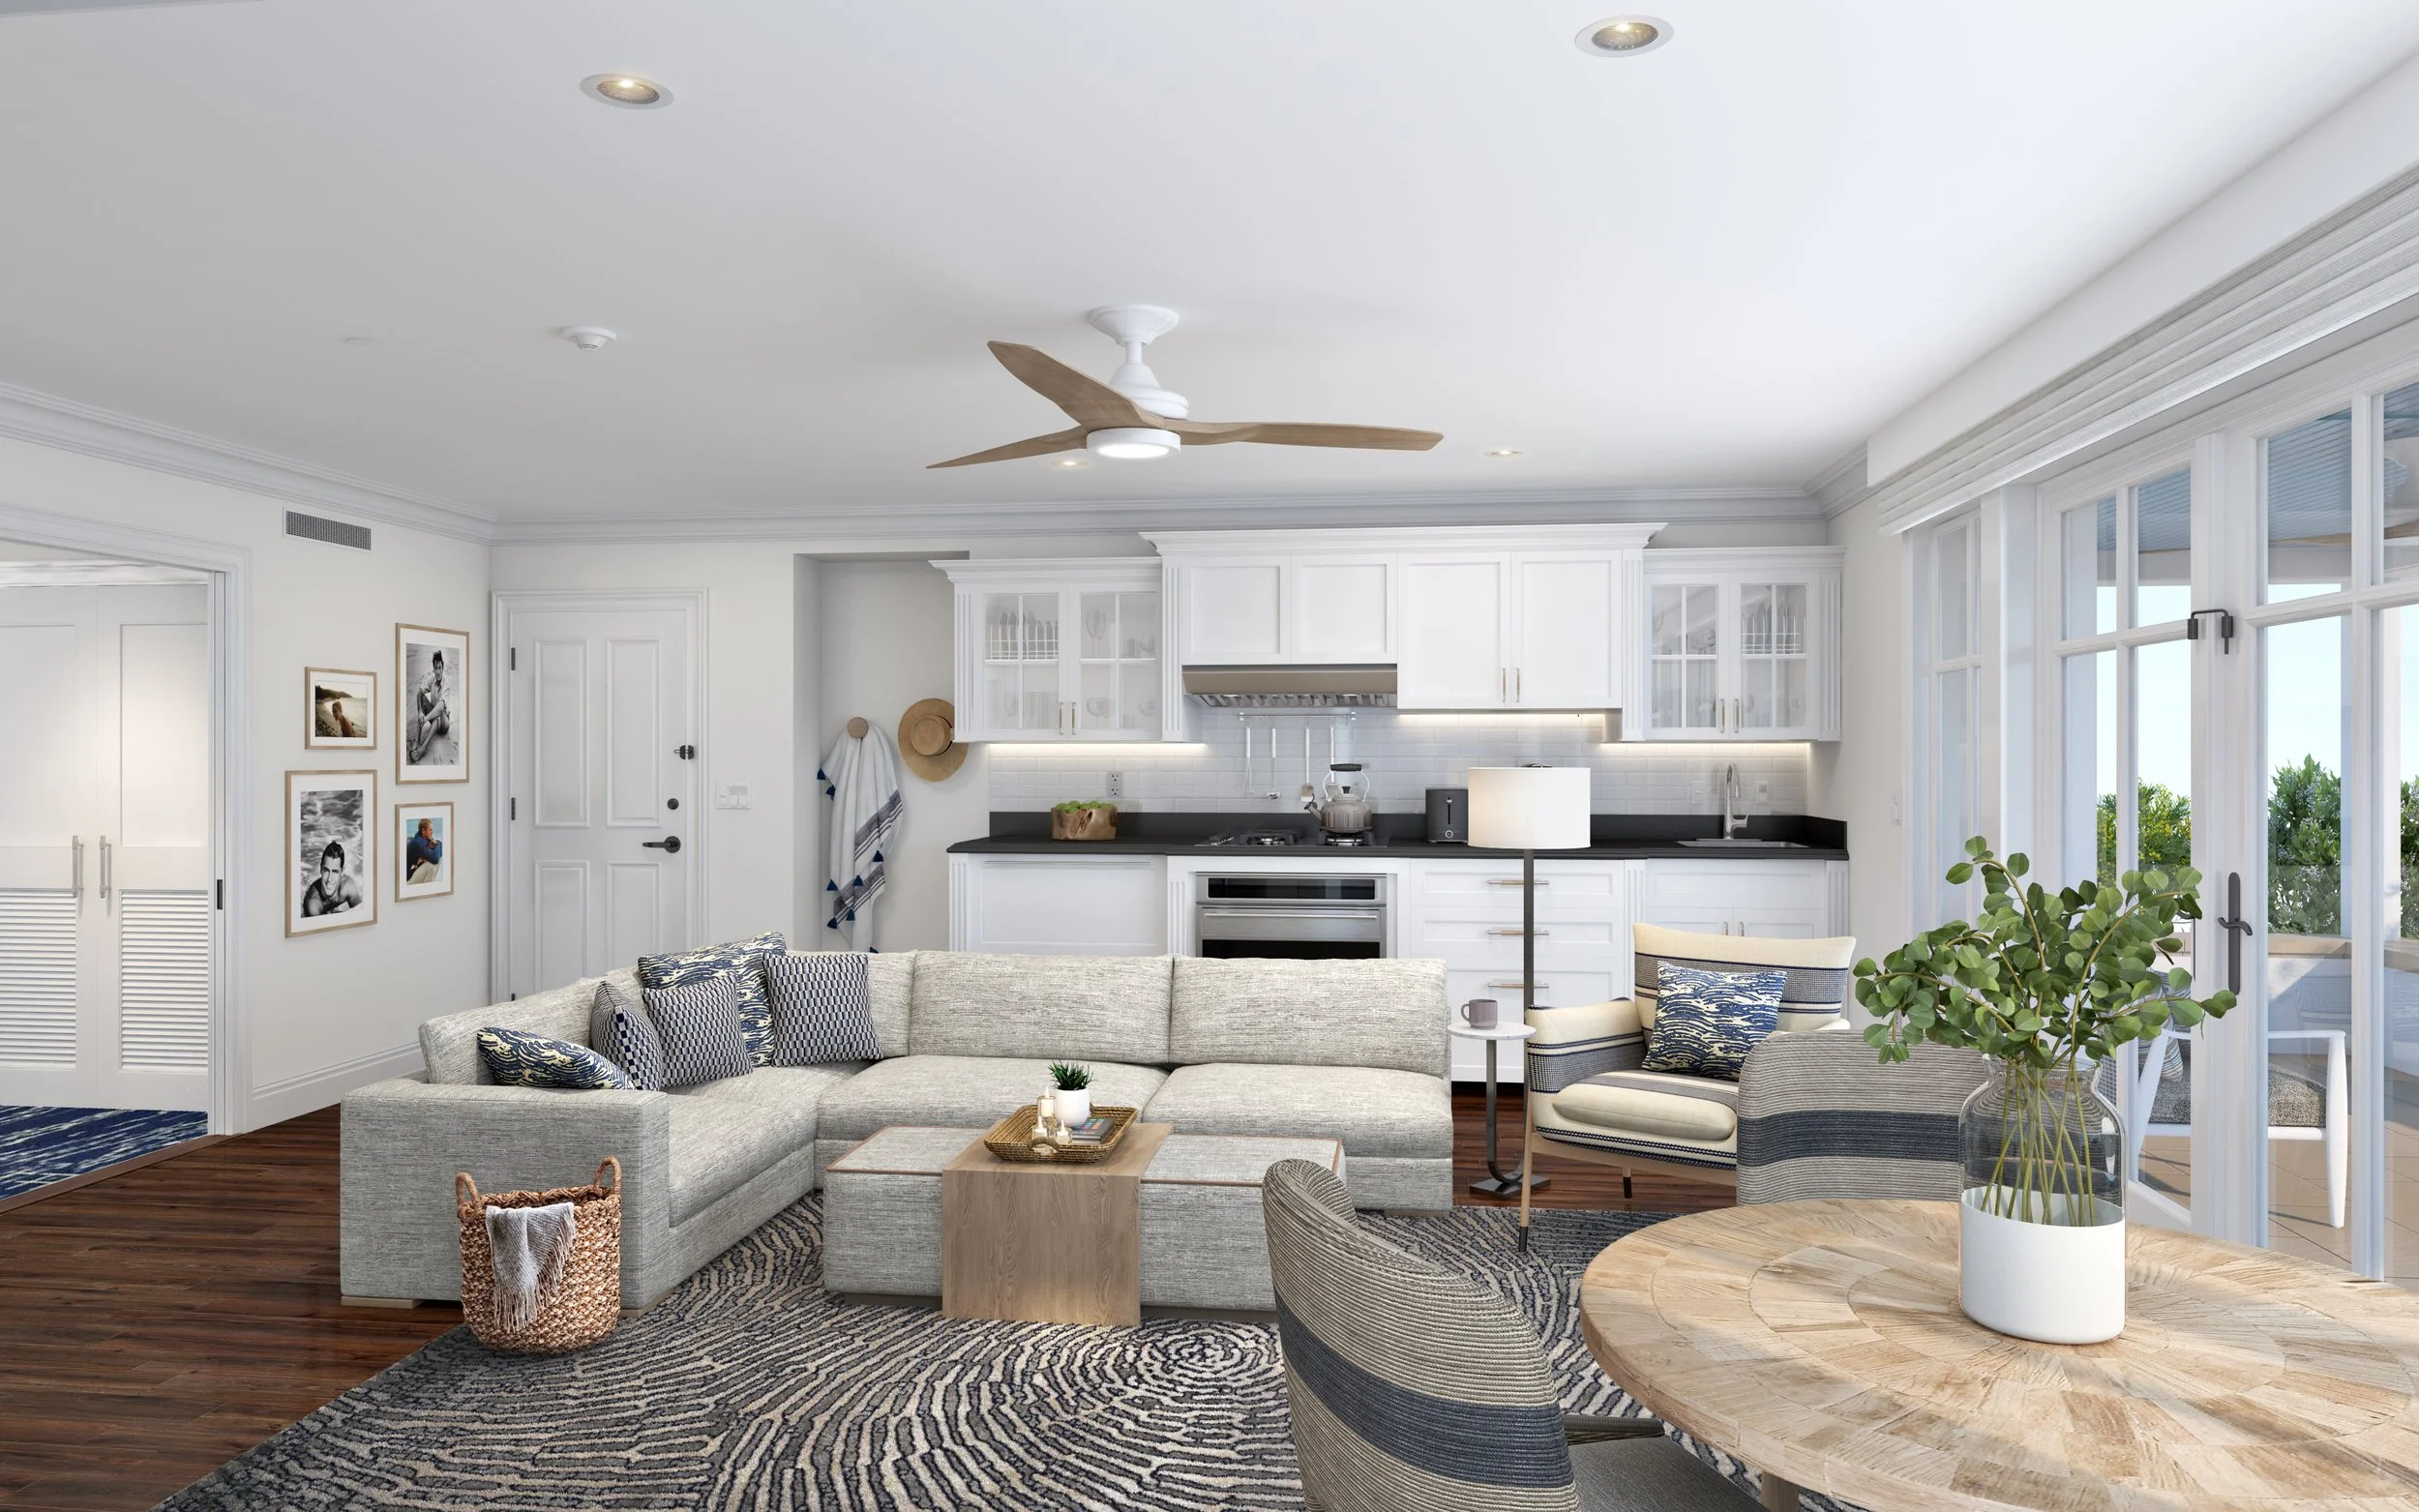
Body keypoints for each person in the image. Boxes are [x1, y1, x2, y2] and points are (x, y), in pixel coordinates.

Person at [408, 649, 452, 765]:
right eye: (435, 668)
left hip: (443, 724)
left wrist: (425, 718)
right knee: (422, 698)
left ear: (443, 667)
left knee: (438, 711)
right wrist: (420, 713)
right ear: (433, 668)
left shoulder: (446, 683)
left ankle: (422, 749)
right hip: (434, 717)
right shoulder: (432, 679)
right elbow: (419, 693)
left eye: (440, 668)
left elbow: (440, 707)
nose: (438, 672)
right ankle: (417, 742)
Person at [301, 840, 363, 916]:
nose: (329, 879)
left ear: (342, 871)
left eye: (335, 871)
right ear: (321, 869)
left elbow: (361, 911)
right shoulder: (313, 902)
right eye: (326, 870)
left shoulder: (347, 885)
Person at [405, 817, 442, 884]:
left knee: (436, 860)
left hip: (412, 872)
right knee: (432, 866)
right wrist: (438, 843)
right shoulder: (418, 843)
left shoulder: (424, 839)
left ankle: (427, 887)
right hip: (407, 879)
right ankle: (427, 889)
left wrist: (429, 850)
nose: (432, 832)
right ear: (423, 831)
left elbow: (441, 851)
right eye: (430, 830)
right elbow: (435, 859)